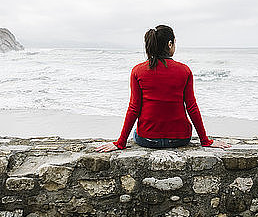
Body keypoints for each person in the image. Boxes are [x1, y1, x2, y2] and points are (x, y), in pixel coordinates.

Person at [95, 25, 230, 152]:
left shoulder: (138, 71)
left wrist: (121, 142)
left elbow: (134, 108)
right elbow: (191, 106)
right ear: (170, 44)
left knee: (137, 132)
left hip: (147, 139)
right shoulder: (184, 70)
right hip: (180, 139)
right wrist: (205, 141)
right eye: (174, 42)